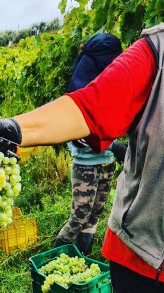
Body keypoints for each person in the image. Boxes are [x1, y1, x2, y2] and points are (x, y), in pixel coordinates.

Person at [0, 23, 164, 293]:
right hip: (148, 244)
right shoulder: (156, 52)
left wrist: (115, 147)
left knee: (90, 216)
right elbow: (91, 106)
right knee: (81, 217)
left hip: (114, 184)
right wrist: (18, 129)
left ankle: (73, 248)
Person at [52, 33, 127, 255]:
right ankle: (54, 259)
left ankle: (81, 257)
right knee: (80, 215)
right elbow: (78, 130)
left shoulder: (107, 83)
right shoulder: (82, 86)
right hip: (86, 163)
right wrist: (114, 146)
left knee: (95, 213)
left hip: (106, 163)